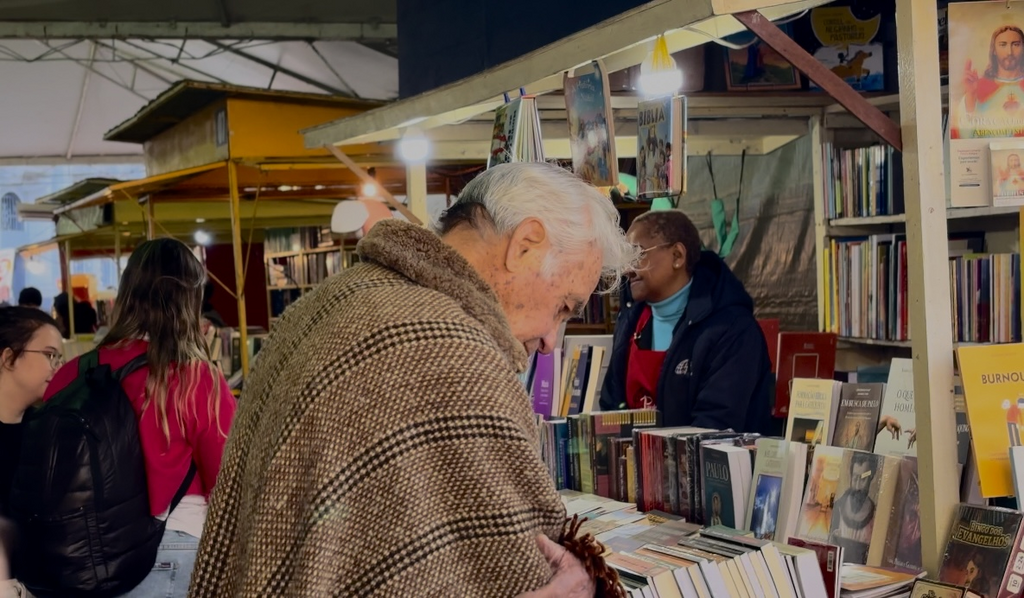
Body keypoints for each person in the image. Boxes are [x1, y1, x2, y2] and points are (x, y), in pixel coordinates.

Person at [189, 162, 637, 597]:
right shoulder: (454, 351)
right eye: (564, 307)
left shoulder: (329, 301)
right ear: (525, 244)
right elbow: (520, 566)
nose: (549, 341)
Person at [42, 238, 236, 597]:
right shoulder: (194, 376)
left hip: (78, 554)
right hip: (168, 547)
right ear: (189, 300)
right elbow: (226, 479)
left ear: (128, 291)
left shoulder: (72, 373)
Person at [599, 210, 774, 434]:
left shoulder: (734, 331)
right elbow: (611, 406)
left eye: (637, 254)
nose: (627, 270)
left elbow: (716, 426)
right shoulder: (630, 321)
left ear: (677, 256)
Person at [0, 307, 63, 598]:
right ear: (8, 357)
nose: (57, 367)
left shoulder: (47, 430)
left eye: (59, 358)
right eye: (50, 355)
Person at [953, 25, 1024, 138]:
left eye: (1016, 44)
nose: (1009, 52)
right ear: (994, 50)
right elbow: (965, 136)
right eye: (1003, 45)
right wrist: (971, 96)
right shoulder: (979, 86)